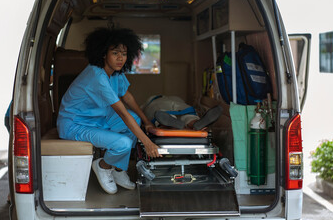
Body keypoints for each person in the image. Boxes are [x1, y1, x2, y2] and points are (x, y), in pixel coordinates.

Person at [57, 27, 161, 195]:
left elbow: (127, 98)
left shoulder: (115, 73)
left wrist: (147, 122)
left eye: (124, 54)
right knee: (123, 143)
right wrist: (147, 143)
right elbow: (122, 113)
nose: (120, 58)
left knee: (135, 119)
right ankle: (103, 166)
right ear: (103, 54)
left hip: (98, 118)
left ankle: (118, 169)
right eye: (115, 53)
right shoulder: (96, 75)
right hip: (75, 124)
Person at [143, 95, 223, 130]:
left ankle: (171, 126)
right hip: (179, 103)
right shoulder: (175, 97)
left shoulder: (151, 101)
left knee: (160, 113)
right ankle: (194, 122)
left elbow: (140, 113)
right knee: (188, 115)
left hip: (157, 105)